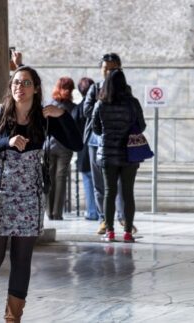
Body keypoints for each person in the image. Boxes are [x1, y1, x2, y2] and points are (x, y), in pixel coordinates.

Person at [0, 66, 81, 322]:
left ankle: (13, 318)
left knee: (22, 259)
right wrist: (6, 143)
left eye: (25, 83)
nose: (18, 88)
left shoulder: (45, 118)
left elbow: (77, 144)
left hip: (29, 197)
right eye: (15, 82)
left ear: (35, 87)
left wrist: (63, 115)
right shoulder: (0, 114)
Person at [91, 69, 146, 243]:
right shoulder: (132, 103)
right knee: (128, 193)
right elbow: (142, 126)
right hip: (129, 153)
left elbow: (96, 128)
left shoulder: (101, 104)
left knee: (109, 192)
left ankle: (110, 232)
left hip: (107, 153)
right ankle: (128, 232)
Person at [82, 53, 130, 235]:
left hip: (119, 142)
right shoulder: (95, 88)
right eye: (105, 69)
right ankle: (103, 219)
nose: (109, 72)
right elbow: (87, 111)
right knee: (100, 184)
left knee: (120, 184)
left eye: (113, 69)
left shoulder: (126, 90)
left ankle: (123, 218)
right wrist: (102, 105)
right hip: (97, 142)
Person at [45, 76, 79, 220]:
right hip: (64, 147)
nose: (67, 90)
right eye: (66, 88)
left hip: (51, 146)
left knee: (51, 178)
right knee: (59, 178)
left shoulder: (49, 105)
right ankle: (56, 213)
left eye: (68, 88)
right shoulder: (73, 108)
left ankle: (50, 212)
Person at [75, 77, 100, 221]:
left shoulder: (78, 109)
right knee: (99, 183)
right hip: (98, 150)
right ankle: (101, 211)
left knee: (89, 182)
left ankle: (92, 212)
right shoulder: (99, 107)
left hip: (83, 151)